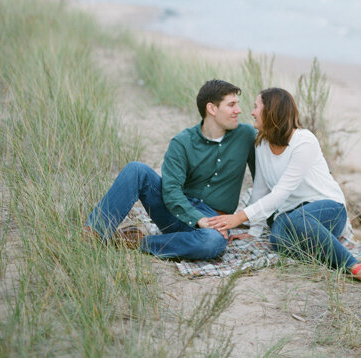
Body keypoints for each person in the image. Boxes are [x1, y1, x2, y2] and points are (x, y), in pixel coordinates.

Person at [205, 87, 361, 287]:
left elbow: (281, 192)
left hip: (328, 209)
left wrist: (239, 217)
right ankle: (358, 264)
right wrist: (254, 231)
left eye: (256, 107)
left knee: (296, 220)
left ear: (272, 112)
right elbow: (260, 188)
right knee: (278, 240)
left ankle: (356, 268)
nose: (251, 112)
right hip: (290, 216)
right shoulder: (261, 144)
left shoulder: (304, 141)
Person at [83, 79, 256, 260]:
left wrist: (255, 228)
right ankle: (93, 233)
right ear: (212, 109)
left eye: (237, 104)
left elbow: (263, 180)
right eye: (231, 105)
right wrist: (198, 218)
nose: (239, 110)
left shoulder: (246, 136)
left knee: (211, 242)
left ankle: (137, 242)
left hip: (215, 220)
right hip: (174, 212)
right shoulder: (182, 142)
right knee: (136, 170)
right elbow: (171, 191)